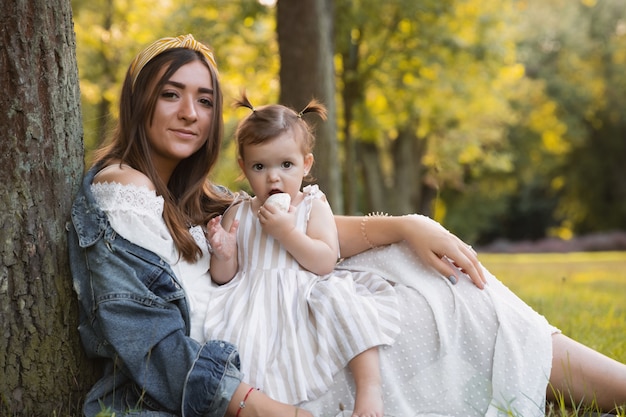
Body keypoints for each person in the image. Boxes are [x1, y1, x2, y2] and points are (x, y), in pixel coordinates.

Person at [66, 33, 626, 417]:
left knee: (408, 268)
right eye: (171, 95)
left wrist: (407, 226)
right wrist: (262, 406)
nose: (190, 112)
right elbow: (151, 344)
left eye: (204, 100)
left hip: (266, 327)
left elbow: (307, 231)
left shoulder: (194, 195)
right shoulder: (125, 189)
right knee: (422, 300)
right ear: (139, 102)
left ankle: (571, 379)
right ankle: (601, 383)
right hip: (246, 364)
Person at [205, 94, 398, 417]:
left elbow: (324, 260)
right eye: (259, 166)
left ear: (305, 164)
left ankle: (370, 390)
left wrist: (287, 232)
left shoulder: (311, 205)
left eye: (286, 165)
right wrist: (223, 251)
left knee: (345, 300)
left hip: (307, 293)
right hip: (255, 301)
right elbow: (224, 276)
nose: (273, 177)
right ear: (243, 168)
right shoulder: (239, 211)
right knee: (249, 347)